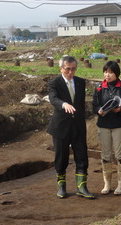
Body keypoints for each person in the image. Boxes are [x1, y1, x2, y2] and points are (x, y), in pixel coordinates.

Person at [47, 55, 94, 199]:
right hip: (61, 126)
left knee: (82, 155)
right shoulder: (54, 83)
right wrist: (64, 104)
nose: (71, 72)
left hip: (78, 125)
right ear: (61, 68)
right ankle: (61, 186)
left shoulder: (80, 82)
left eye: (73, 69)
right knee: (61, 156)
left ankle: (82, 187)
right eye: (68, 69)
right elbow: (53, 98)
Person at [92, 61, 121, 195]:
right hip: (103, 125)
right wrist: (98, 110)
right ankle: (107, 184)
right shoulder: (99, 87)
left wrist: (120, 110)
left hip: (119, 125)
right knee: (105, 155)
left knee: (120, 154)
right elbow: (94, 105)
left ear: (116, 73)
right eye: (105, 72)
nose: (107, 75)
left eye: (110, 72)